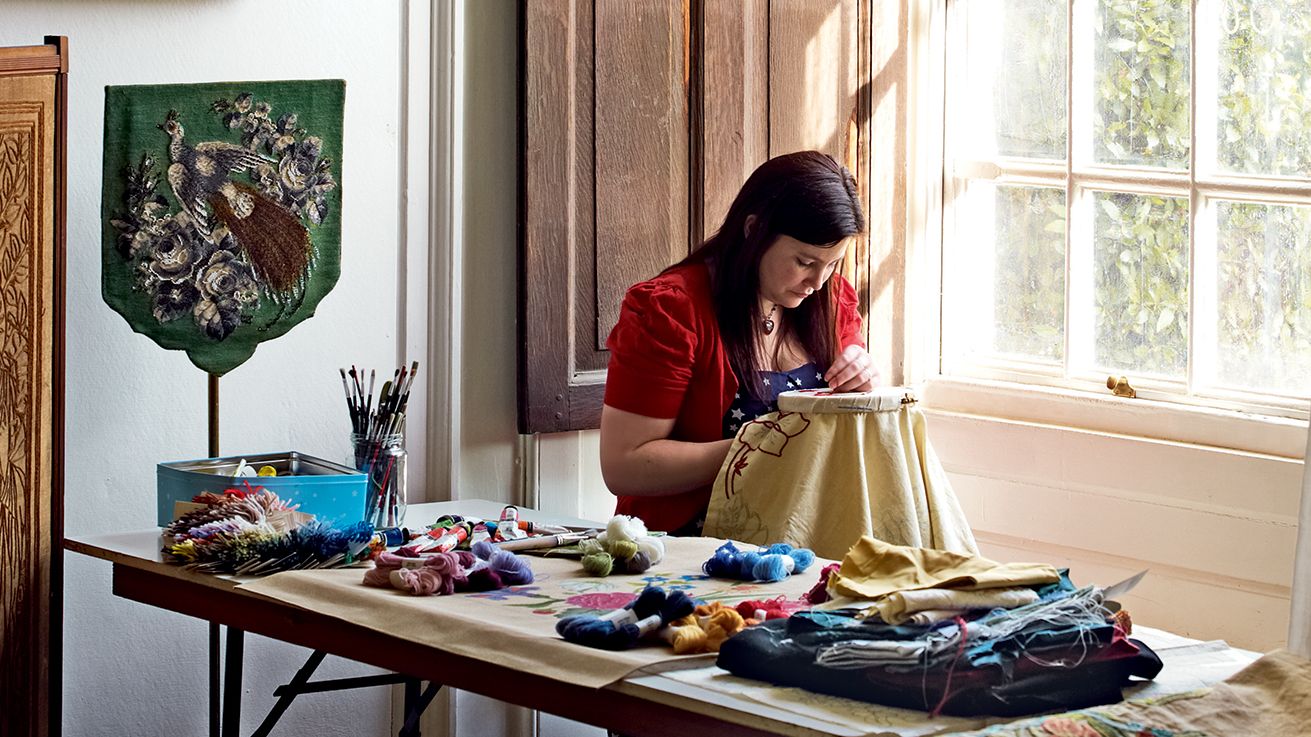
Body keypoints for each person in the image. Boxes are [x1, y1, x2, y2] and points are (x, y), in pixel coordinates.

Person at [600, 151, 879, 535]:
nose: (818, 282)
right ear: (754, 229)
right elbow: (623, 466)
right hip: (693, 542)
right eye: (804, 262)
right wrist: (764, 446)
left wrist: (862, 373)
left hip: (801, 532)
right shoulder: (671, 311)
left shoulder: (830, 300)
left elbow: (849, 412)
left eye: (832, 264)